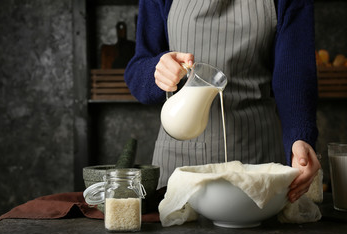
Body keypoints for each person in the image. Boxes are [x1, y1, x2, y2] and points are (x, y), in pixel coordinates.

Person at [125, 0, 321, 203]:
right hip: (179, 169)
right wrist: (157, 71)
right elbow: (136, 71)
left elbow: (294, 74)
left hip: (258, 164)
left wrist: (300, 137)